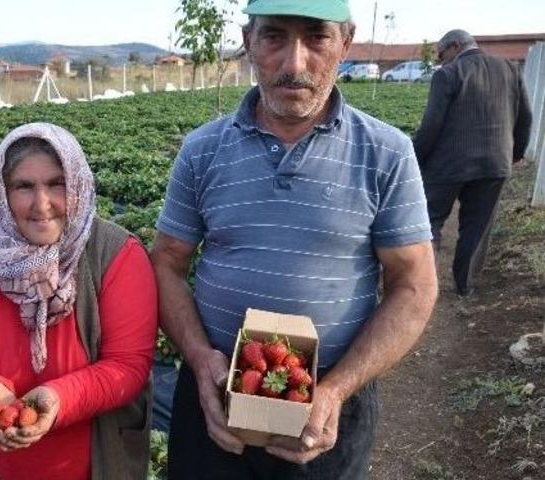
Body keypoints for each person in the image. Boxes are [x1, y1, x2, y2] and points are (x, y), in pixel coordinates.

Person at [150, 0, 439, 478]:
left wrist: (335, 390)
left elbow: (414, 285)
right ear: (248, 43)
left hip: (328, 408)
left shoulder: (387, 153)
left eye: (316, 37)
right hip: (215, 398)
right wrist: (201, 360)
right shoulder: (202, 150)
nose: (294, 63)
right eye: (274, 37)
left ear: (345, 42)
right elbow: (166, 262)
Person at [0, 122, 158, 480]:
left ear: (78, 184)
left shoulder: (116, 254)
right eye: (24, 186)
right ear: (4, 192)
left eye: (57, 183)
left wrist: (59, 398)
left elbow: (128, 366)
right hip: (0, 469)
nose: (42, 204)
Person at [414, 29, 532, 297]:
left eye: (442, 55)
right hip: (495, 164)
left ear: (455, 46)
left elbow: (431, 126)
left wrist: (415, 160)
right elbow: (525, 117)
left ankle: (422, 288)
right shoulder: (510, 70)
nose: (442, 61)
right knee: (478, 226)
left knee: (429, 222)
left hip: (447, 165)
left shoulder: (448, 74)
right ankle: (465, 286)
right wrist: (515, 154)